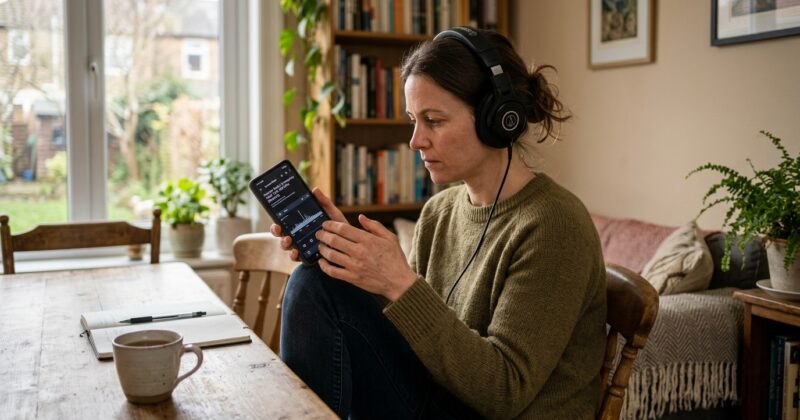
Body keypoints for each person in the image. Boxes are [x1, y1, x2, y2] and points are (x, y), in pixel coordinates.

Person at [270, 27, 606, 419]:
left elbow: (503, 391)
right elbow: (420, 338)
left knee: (315, 288)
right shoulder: (439, 212)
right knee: (316, 282)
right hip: (441, 399)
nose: (415, 140)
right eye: (414, 119)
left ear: (497, 119)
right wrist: (351, 264)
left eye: (433, 120)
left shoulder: (554, 225)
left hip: (490, 411)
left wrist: (398, 281)